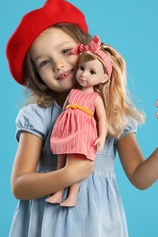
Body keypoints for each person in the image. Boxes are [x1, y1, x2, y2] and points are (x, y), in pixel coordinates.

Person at [6, 0, 158, 237]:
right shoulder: (38, 116)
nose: (59, 64)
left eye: (66, 51)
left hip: (96, 226)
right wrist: (67, 175)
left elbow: (140, 178)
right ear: (37, 75)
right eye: (45, 62)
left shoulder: (110, 114)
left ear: (87, 51)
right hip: (47, 227)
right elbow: (19, 185)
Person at [46, 35, 111, 207]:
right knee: (61, 160)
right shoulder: (73, 93)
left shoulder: (95, 98)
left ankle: (72, 195)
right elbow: (65, 109)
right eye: (81, 68)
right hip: (65, 129)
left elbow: (102, 119)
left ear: (104, 78)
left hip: (83, 132)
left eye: (92, 72)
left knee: (74, 164)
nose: (83, 74)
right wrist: (60, 125)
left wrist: (101, 137)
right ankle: (58, 192)